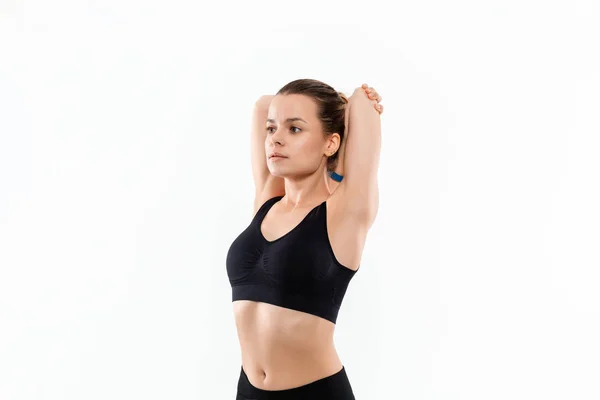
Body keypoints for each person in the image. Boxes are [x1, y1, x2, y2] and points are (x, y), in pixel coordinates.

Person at [226, 78, 383, 399]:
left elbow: (363, 109)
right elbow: (261, 105)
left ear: (331, 143)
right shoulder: (268, 200)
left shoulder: (345, 211)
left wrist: (356, 100)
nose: (275, 140)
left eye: (294, 129)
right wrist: (292, 117)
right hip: (249, 391)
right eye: (272, 130)